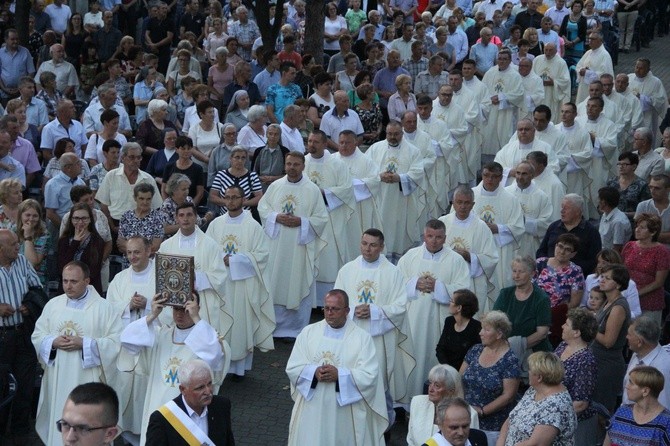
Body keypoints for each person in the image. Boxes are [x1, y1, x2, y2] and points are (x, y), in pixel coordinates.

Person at [32, 261, 123, 446]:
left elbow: (116, 343)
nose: (68, 286)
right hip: (58, 377)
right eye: (65, 281)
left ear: (87, 281)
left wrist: (85, 344)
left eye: (73, 281)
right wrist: (52, 342)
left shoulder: (104, 308)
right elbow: (37, 335)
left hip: (87, 379)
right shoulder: (53, 305)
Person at [119, 292, 227, 445]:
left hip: (189, 415)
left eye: (185, 310)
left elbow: (214, 355)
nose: (179, 314)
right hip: (159, 408)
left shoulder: (204, 338)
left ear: (197, 309)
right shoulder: (162, 334)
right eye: (175, 309)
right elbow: (127, 340)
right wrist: (153, 314)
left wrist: (196, 317)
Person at [285, 289, 387, 445]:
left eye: (335, 309)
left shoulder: (362, 338)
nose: (329, 313)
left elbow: (369, 375)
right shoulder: (308, 333)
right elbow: (293, 367)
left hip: (343, 413)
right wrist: (314, 372)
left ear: (346, 311)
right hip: (313, 408)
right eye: (326, 308)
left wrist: (339, 375)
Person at [205, 186, 275, 378]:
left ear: (243, 199)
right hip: (220, 284)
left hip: (243, 285)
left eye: (235, 197)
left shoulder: (253, 226)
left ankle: (239, 368)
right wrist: (220, 259)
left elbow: (262, 255)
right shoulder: (215, 225)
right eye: (227, 197)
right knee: (220, 322)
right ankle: (219, 364)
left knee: (240, 323)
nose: (230, 201)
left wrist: (234, 260)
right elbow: (206, 250)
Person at [258, 152, 328, 338]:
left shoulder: (312, 189)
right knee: (275, 281)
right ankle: (272, 326)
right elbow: (262, 208)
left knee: (296, 282)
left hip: (299, 246)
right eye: (289, 164)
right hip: (277, 245)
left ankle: (295, 329)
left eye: (296, 164)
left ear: (303, 166)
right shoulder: (275, 186)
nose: (292, 167)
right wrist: (276, 217)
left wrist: (302, 222)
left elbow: (321, 218)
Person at [398, 219, 471, 398]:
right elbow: (395, 283)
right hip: (413, 319)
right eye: (430, 236)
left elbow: (464, 289)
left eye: (438, 237)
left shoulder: (455, 260)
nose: (434, 240)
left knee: (434, 356)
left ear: (445, 238)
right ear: (424, 236)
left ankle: (437, 400)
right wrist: (415, 283)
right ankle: (409, 401)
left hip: (439, 320)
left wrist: (438, 286)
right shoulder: (410, 256)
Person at [158, 202, 231, 336]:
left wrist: (194, 276)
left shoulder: (210, 245)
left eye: (189, 215)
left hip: (202, 302)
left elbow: (219, 276)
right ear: (176, 218)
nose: (185, 219)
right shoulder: (166, 246)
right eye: (181, 215)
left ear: (196, 217)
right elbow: (160, 277)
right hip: (175, 305)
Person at [0, 229, 42, 445]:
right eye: (13, 244)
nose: (18, 247)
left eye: (18, 242)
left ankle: (20, 431)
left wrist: (28, 305)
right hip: (1, 336)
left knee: (25, 384)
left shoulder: (23, 263)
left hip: (22, 332)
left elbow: (37, 288)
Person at [366, 121, 425, 260]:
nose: (392, 137)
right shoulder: (375, 148)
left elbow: (417, 173)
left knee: (399, 231)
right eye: (389, 134)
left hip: (401, 202)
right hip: (380, 199)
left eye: (396, 134)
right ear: (385, 133)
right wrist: (379, 177)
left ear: (402, 133)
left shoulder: (413, 151)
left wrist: (399, 178)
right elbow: (366, 171)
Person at [460, 310, 521, 442]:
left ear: (499, 334)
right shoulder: (476, 349)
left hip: (493, 426)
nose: (480, 333)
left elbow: (508, 396)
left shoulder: (510, 360)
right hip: (466, 420)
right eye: (482, 328)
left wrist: (482, 411)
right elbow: (459, 378)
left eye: (486, 330)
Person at [439, 186, 499, 314]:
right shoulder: (442, 223)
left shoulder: (481, 227)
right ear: (453, 203)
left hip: (471, 283)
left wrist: (470, 257)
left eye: (466, 203)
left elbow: (491, 258)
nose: (463, 206)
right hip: (446, 279)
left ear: (473, 205)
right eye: (459, 202)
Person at [146, 359, 235, 445]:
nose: (208, 392)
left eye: (209, 383)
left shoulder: (222, 405)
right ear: (183, 389)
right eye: (200, 388)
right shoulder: (162, 419)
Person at [497, 352, 577, 446]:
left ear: (539, 377)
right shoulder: (534, 390)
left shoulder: (556, 406)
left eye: (530, 370)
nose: (528, 372)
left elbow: (535, 444)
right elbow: (511, 419)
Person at [470, 162, 525, 290]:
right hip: (476, 248)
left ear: (501, 178)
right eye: (486, 175)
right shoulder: (469, 196)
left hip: (499, 250)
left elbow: (518, 228)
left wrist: (498, 228)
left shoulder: (511, 200)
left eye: (494, 176)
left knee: (498, 285)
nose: (489, 179)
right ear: (482, 175)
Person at [591, 264, 632, 413]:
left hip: (607, 365)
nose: (602, 280)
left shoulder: (618, 307)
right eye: (602, 277)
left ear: (618, 284)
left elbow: (609, 341)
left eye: (607, 278)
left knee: (601, 412)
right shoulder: (607, 301)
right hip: (597, 360)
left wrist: (588, 327)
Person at [554, 307, 599, 441]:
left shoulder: (586, 360)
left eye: (566, 324)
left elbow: (580, 404)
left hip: (576, 426)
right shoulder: (563, 346)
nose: (562, 326)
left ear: (576, 333)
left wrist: (552, 415)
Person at [407, 365, 479, 446]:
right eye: (430, 383)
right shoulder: (417, 402)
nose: (431, 389)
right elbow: (411, 440)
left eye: (437, 385)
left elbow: (470, 442)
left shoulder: (469, 414)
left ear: (451, 390)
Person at [622, 213, 670, 326]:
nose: (637, 230)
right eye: (637, 226)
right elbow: (621, 271)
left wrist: (636, 293)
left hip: (650, 302)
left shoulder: (662, 252)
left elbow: (659, 282)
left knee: (645, 337)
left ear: (653, 232)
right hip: (627, 298)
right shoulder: (629, 246)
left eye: (642, 227)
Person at [537, 194, 602, 276]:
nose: (562, 211)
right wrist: (548, 266)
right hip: (548, 274)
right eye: (562, 207)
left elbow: (593, 261)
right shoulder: (554, 226)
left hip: (575, 277)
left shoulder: (591, 232)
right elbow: (541, 251)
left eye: (566, 208)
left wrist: (568, 270)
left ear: (577, 211)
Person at [605, 366, 670, 445]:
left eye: (631, 383)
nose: (627, 386)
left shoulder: (666, 421)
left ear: (645, 391)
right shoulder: (622, 412)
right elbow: (607, 442)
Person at [481, 50, 524, 160]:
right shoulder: (490, 72)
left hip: (506, 113)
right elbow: (482, 89)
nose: (502, 61)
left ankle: (503, 160)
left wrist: (500, 98)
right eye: (500, 59)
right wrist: (489, 98)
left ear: (510, 60)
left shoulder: (515, 75)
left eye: (505, 59)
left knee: (504, 136)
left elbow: (519, 94)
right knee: (489, 136)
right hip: (491, 110)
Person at [506, 161, 553, 258]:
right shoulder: (506, 193)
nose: (520, 177)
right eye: (518, 173)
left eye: (524, 174)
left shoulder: (541, 197)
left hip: (528, 244)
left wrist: (524, 222)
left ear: (532, 175)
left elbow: (546, 224)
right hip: (508, 243)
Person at [57, 202, 105, 294]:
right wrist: (75, 242)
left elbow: (93, 271)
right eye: (76, 218)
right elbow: (61, 268)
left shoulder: (97, 241)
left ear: (90, 219)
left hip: (90, 290)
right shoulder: (63, 240)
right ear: (71, 219)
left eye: (84, 218)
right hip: (66, 291)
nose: (80, 222)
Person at [623, 316, 670, 409]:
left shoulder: (663, 369)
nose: (626, 337)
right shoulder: (637, 354)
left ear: (639, 342)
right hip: (627, 417)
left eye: (629, 334)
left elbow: (662, 409)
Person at [581, 249, 642, 317]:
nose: (599, 265)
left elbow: (636, 312)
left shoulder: (630, 284)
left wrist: (616, 316)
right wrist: (590, 314)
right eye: (598, 262)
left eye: (604, 263)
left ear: (614, 264)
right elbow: (582, 304)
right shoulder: (590, 279)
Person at [436, 289, 482, 371]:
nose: (449, 303)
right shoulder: (449, 321)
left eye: (452, 301)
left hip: (465, 373)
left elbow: (475, 357)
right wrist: (448, 369)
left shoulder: (477, 327)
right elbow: (440, 348)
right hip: (447, 370)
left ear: (459, 308)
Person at [628, 58, 668, 147]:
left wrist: (642, 98)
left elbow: (660, 101)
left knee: (644, 141)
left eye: (641, 68)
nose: (638, 70)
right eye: (636, 67)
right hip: (630, 115)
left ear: (648, 69)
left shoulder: (655, 82)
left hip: (647, 117)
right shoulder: (629, 78)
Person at [117, 183, 165, 253]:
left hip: (149, 262)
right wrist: (143, 250)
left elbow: (155, 246)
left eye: (148, 199)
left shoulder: (158, 218)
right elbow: (120, 244)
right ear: (135, 198)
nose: (145, 202)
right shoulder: (126, 217)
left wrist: (131, 248)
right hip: (128, 262)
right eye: (141, 198)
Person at [161, 136, 206, 206]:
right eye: (183, 148)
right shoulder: (169, 167)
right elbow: (164, 189)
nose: (186, 151)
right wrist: (168, 205)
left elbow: (200, 193)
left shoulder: (198, 168)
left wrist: (190, 207)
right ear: (176, 149)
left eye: (189, 148)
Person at [16, 199, 50, 289]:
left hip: (36, 283)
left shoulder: (44, 235)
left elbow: (32, 263)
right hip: (16, 280)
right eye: (27, 215)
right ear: (21, 215)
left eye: (35, 216)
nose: (31, 219)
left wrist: (28, 237)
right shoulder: (13, 232)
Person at [575, 32, 613, 104]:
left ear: (600, 40)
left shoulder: (605, 55)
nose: (590, 41)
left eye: (593, 39)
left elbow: (605, 75)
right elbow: (578, 66)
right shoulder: (588, 52)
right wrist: (581, 71)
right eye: (589, 39)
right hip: (583, 87)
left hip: (596, 90)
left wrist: (587, 73)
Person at [598, 186, 633, 252]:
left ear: (604, 202)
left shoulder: (618, 221)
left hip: (612, 257)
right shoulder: (605, 214)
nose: (598, 202)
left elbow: (616, 248)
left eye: (599, 199)